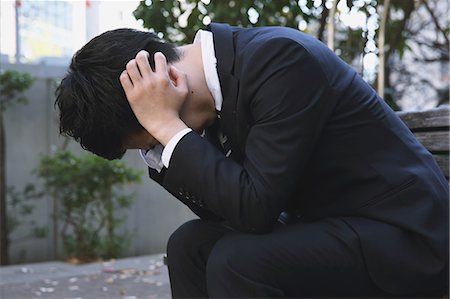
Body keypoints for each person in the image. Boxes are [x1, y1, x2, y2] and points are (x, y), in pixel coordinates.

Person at [55, 23, 449, 298]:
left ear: (169, 82)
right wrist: (167, 141)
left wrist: (169, 128)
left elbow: (254, 211)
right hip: (335, 227)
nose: (160, 140)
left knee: (239, 260)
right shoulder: (214, 93)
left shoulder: (281, 60)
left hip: (405, 238)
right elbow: (225, 213)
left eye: (151, 135)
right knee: (189, 244)